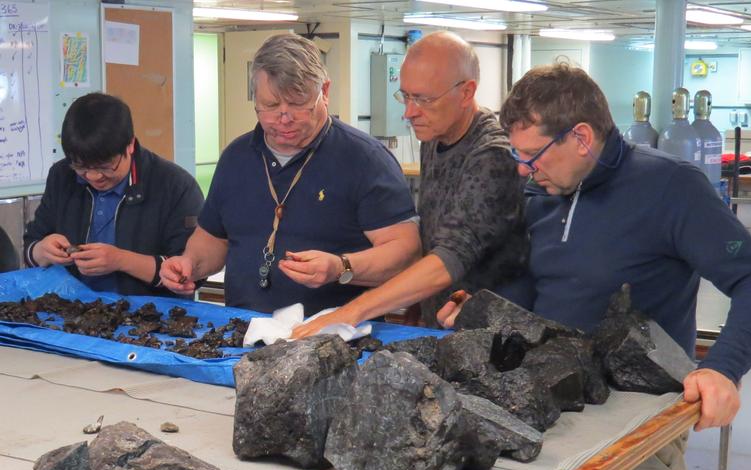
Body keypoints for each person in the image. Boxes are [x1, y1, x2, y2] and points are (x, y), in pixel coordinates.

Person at [439, 64, 751, 470]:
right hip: (546, 407)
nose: (522, 169)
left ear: (581, 138)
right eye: (518, 156)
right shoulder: (541, 189)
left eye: (531, 156)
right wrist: (478, 311)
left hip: (637, 422)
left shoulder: (673, 188)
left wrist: (723, 368)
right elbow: (531, 288)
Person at [160, 33, 420, 314]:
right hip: (243, 334)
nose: (284, 119)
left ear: (325, 92)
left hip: (335, 338)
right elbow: (213, 238)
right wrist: (189, 265)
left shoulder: (365, 160)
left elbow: (405, 251)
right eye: (270, 106)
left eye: (298, 104)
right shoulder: (236, 158)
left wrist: (341, 267)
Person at [291, 31, 527, 338]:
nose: (409, 112)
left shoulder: (492, 155)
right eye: (406, 96)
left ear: (467, 92)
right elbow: (434, 239)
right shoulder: (435, 134)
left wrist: (349, 313)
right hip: (440, 328)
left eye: (424, 99)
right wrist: (417, 301)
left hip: (490, 339)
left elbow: (449, 259)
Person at [24, 92, 204, 297]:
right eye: (81, 167)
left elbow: (190, 272)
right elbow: (32, 243)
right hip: (70, 313)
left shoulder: (174, 186)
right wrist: (41, 251)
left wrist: (120, 260)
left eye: (105, 166)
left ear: (130, 145)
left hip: (150, 318)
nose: (93, 176)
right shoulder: (62, 175)